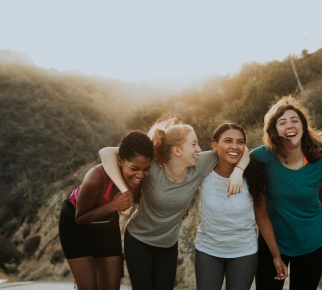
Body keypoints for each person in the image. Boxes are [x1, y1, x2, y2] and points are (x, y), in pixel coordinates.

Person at [99, 117, 249, 290]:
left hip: (168, 245)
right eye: (193, 144)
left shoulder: (200, 164)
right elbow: (106, 153)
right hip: (138, 240)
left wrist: (238, 171)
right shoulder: (153, 166)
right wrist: (125, 190)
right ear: (177, 150)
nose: (199, 149)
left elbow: (241, 150)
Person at [194, 122, 288, 290]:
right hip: (207, 249)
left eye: (240, 141)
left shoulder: (254, 176)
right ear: (215, 145)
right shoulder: (203, 170)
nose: (235, 146)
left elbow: (262, 218)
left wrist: (276, 256)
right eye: (228, 141)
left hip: (243, 252)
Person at [58, 130, 154, 290]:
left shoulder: (140, 179)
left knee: (111, 287)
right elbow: (80, 218)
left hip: (106, 223)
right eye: (134, 168)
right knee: (89, 287)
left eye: (146, 169)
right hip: (75, 224)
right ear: (120, 161)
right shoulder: (96, 178)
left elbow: (144, 198)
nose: (140, 174)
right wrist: (114, 206)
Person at [251, 96, 322, 290]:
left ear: (303, 126)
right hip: (273, 240)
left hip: (313, 241)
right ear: (274, 130)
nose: (289, 125)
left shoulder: (319, 156)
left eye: (295, 120)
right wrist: (276, 256)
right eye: (282, 122)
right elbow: (241, 155)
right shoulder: (263, 156)